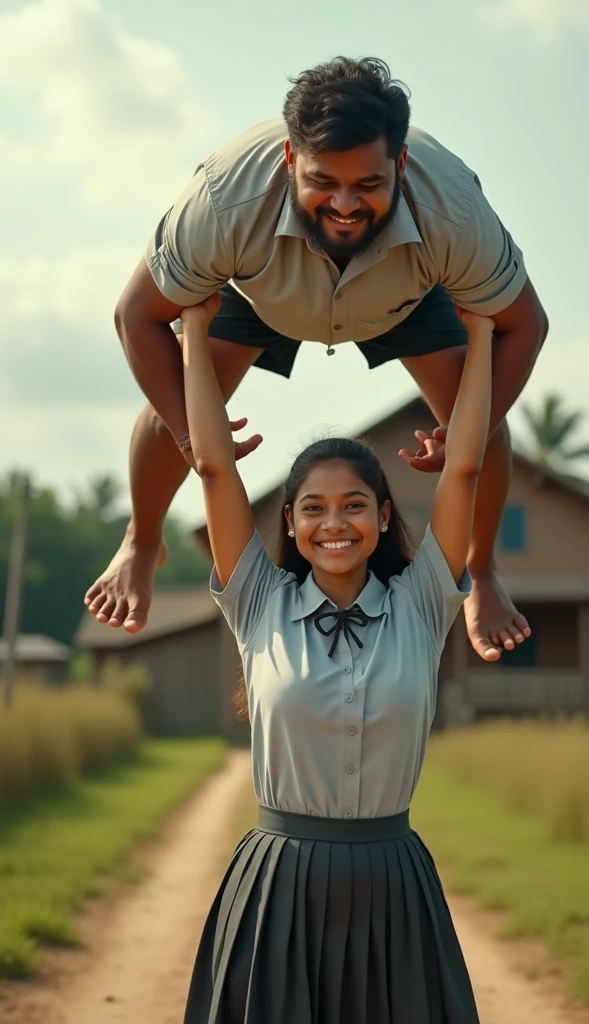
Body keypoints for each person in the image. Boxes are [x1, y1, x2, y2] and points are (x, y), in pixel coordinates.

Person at [84, 56, 548, 663]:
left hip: (401, 295)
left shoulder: (453, 210)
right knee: (174, 410)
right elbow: (136, 315)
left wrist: (473, 427)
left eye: (369, 185)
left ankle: (481, 573)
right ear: (289, 162)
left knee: (483, 418)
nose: (346, 204)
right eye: (323, 182)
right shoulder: (225, 200)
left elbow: (525, 325)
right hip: (264, 289)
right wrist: (189, 435)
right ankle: (142, 542)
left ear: (400, 165)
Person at [179, 289, 494, 1023]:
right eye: (313, 508)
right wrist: (196, 326)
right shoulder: (258, 600)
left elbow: (467, 469)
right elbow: (216, 472)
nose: (334, 524)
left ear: (385, 517)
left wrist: (479, 331)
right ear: (289, 521)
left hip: (394, 882)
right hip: (279, 884)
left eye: (354, 504)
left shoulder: (421, 606)